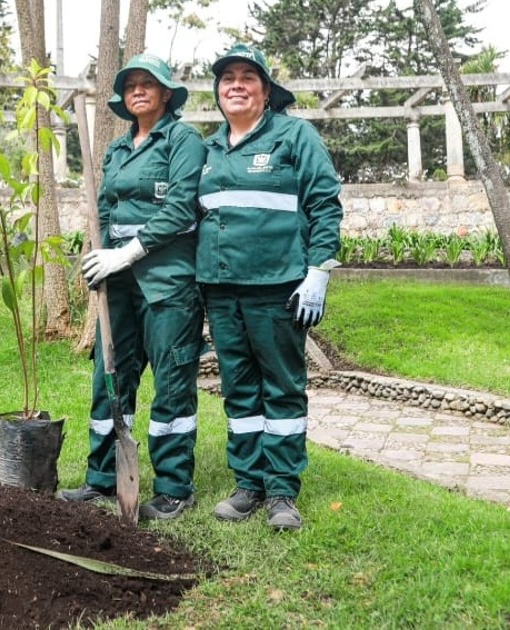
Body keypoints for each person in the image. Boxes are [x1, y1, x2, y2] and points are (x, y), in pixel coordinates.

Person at [196, 44, 344, 531]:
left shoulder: (294, 136)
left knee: (281, 387)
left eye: (247, 78)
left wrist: (319, 269)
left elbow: (324, 205)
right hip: (221, 290)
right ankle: (248, 484)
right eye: (226, 79)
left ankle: (282, 490)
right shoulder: (209, 149)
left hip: (277, 288)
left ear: (265, 91)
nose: (235, 85)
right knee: (239, 390)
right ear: (218, 93)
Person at [58, 53, 207, 521]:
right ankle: (102, 477)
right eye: (130, 85)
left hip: (168, 282)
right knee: (110, 376)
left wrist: (129, 251)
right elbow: (103, 208)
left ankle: (174, 487)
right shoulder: (117, 151)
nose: (138, 90)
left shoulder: (183, 141)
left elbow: (182, 207)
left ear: (166, 94)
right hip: (117, 285)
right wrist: (100, 257)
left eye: (148, 83)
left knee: (172, 380)